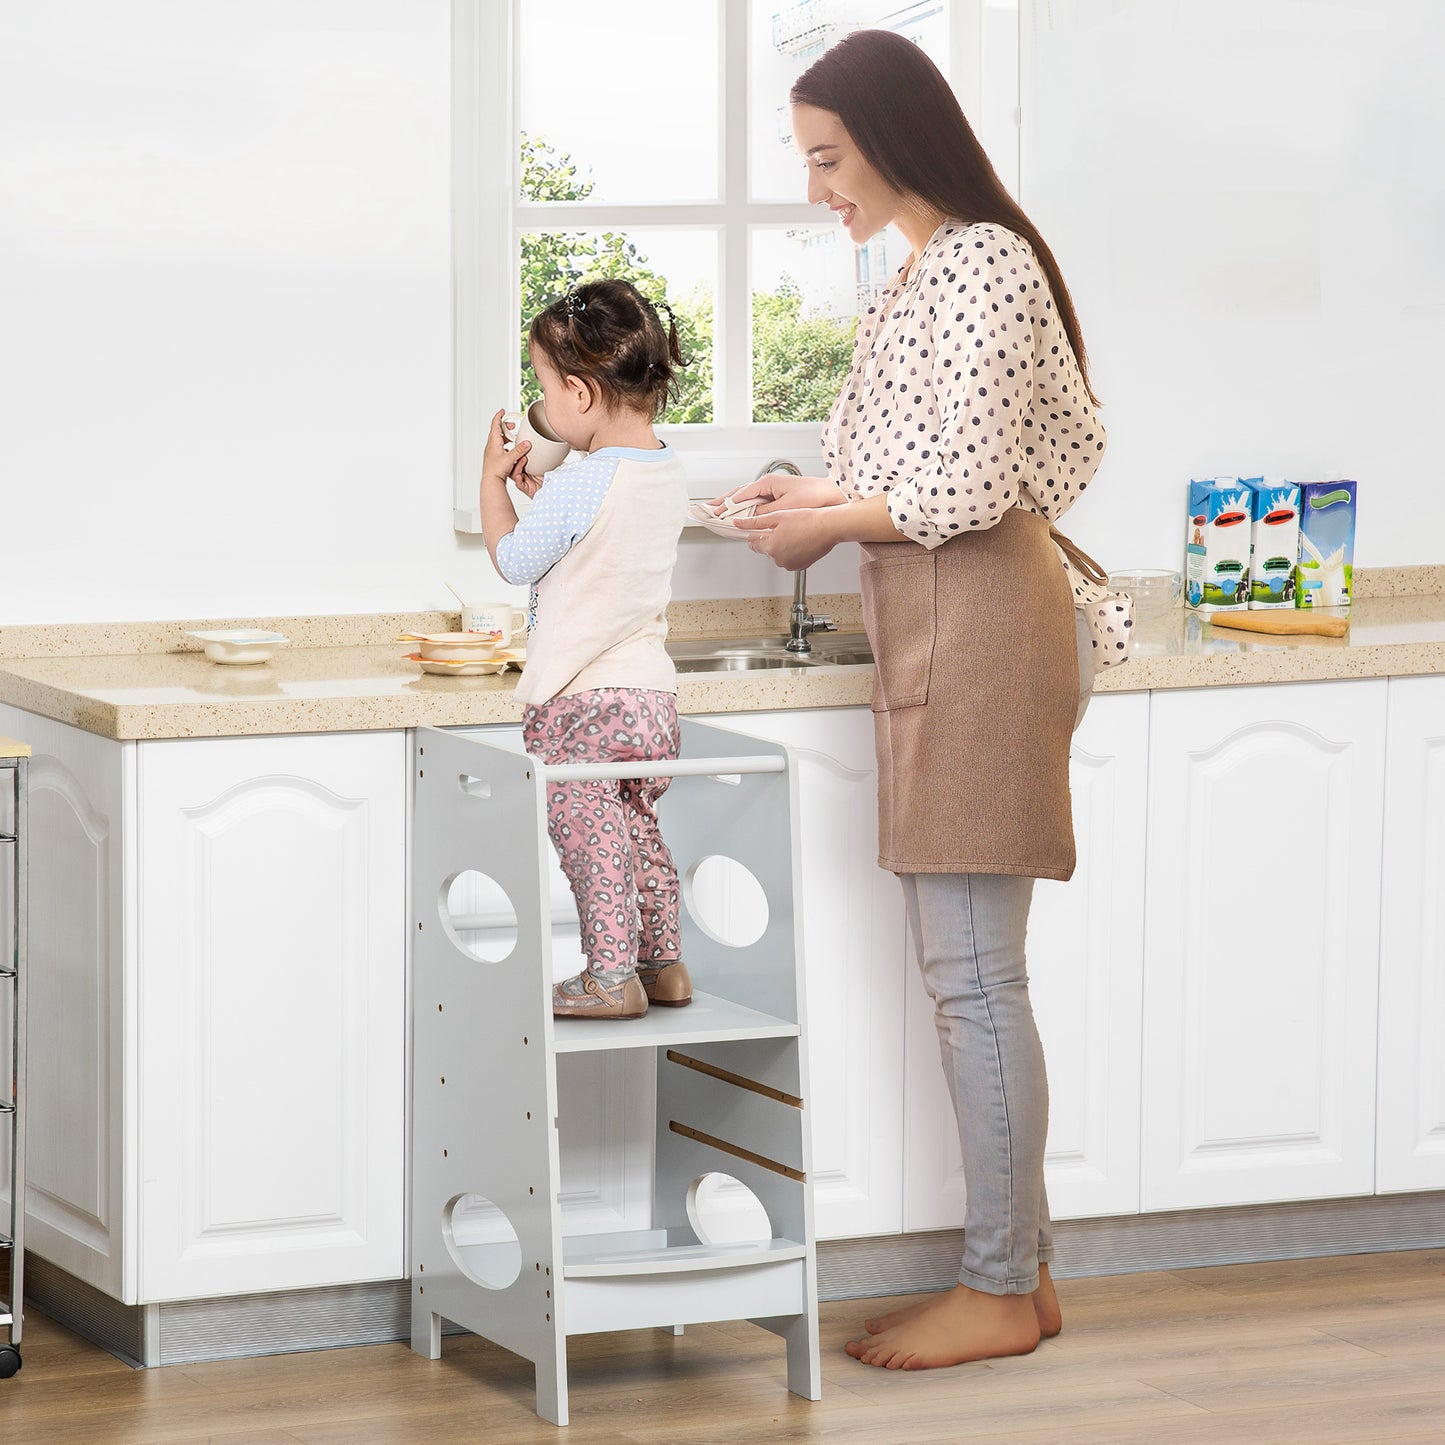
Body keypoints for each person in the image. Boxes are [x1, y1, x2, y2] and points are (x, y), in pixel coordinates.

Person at [719, 30, 1129, 1370]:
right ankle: (1030, 1277)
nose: (816, 186)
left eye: (828, 157)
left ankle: (1000, 1286)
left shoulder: (979, 268)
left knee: (971, 980)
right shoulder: (928, 273)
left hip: (981, 626)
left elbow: (960, 496)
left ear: (898, 137)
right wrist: (817, 507)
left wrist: (823, 528)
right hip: (948, 618)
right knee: (972, 975)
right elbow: (959, 469)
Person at [480, 278, 692, 1021]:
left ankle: (608, 976)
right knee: (634, 826)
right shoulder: (663, 467)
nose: (539, 401)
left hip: (585, 702)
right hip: (649, 698)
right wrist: (549, 497)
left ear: (578, 392)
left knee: (587, 834)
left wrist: (492, 483)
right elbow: (604, 539)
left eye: (543, 384)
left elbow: (512, 559)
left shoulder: (581, 481)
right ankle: (661, 962)